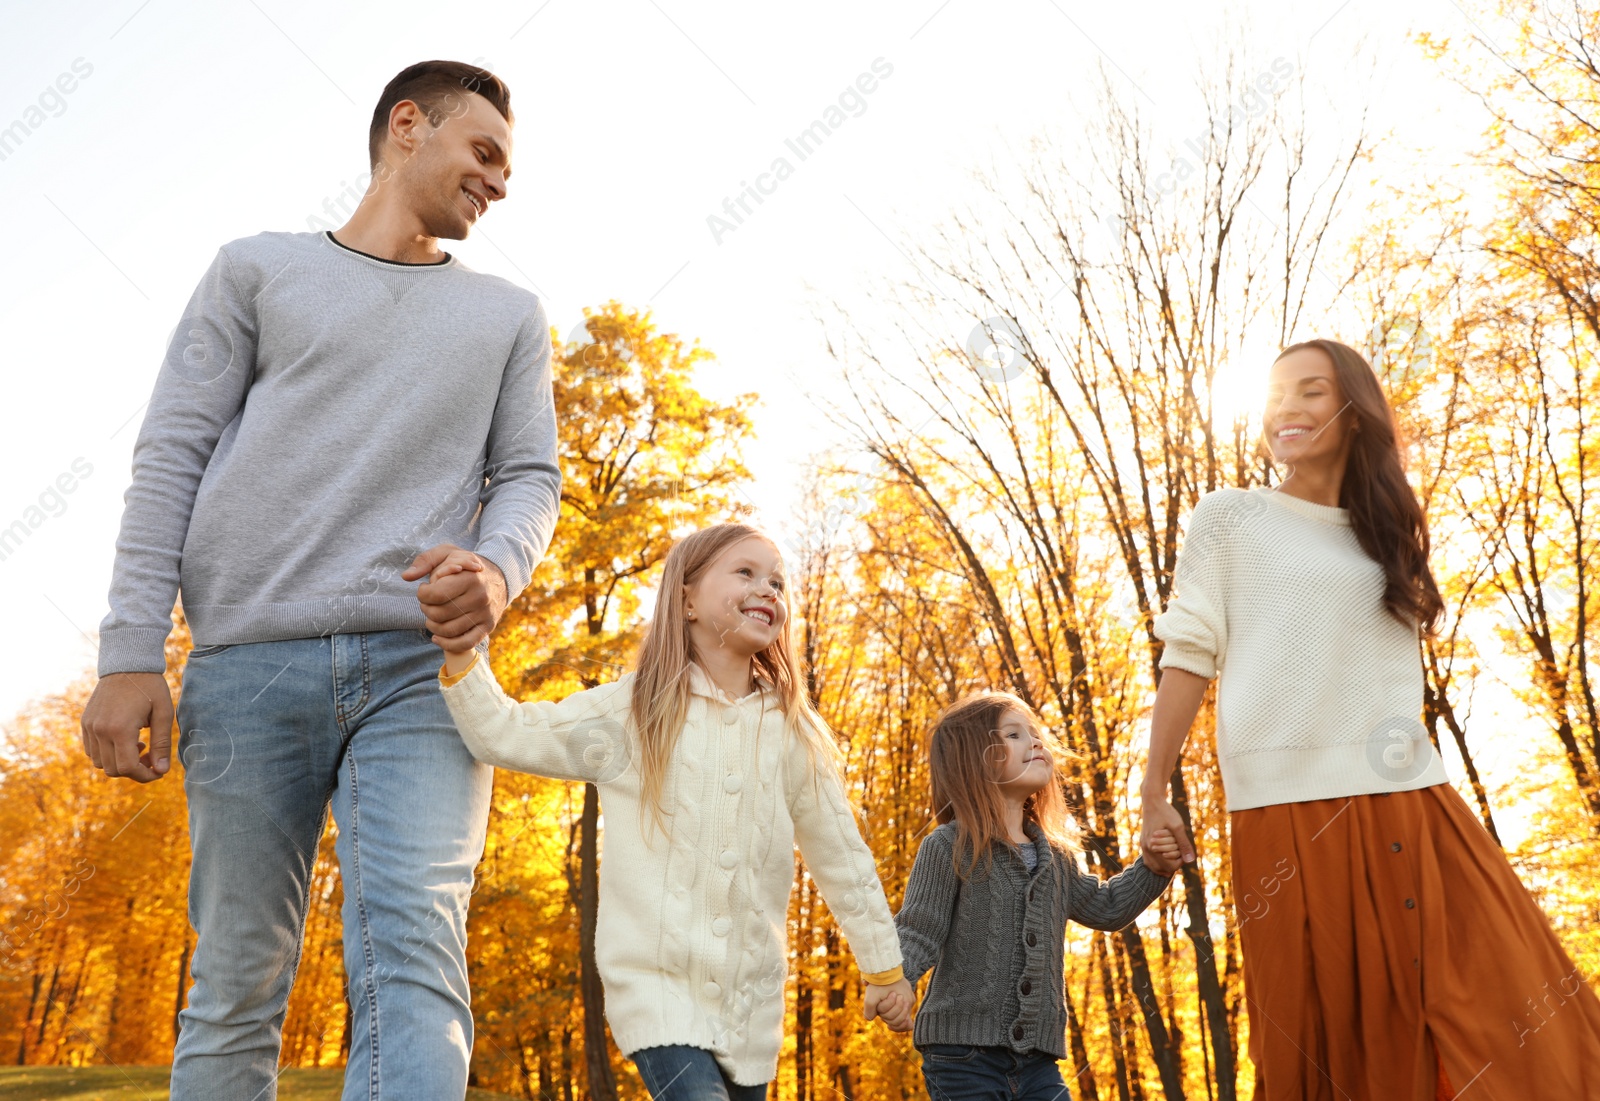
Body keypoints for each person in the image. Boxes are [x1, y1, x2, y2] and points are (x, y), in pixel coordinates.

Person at [78, 61, 561, 1101]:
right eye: (485, 153)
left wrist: (496, 568)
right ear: (406, 127)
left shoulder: (509, 318)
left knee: (414, 966)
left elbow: (529, 476)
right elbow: (171, 453)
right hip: (247, 667)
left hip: (418, 675)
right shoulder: (255, 271)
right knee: (237, 981)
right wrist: (130, 654)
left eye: (509, 168)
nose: (500, 181)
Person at [1140, 338, 1600, 1099]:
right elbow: (1190, 649)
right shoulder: (1229, 519)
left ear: (1354, 414)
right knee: (1322, 1044)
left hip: (1413, 800)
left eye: (1311, 392)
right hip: (1285, 809)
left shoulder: (1384, 531)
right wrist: (1155, 788)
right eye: (1276, 392)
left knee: (1512, 1003)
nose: (1286, 407)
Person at [426, 523, 913, 1100]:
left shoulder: (793, 734)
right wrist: (461, 649)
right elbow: (507, 733)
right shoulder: (634, 710)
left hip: (751, 1008)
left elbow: (843, 858)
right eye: (746, 573)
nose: (769, 590)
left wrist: (884, 968)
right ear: (686, 600)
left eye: (778, 582)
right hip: (655, 991)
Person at [887, 690, 1180, 1100]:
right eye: (1013, 735)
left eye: (1035, 734)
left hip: (1039, 1062)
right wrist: (895, 981)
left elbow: (1108, 906)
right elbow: (919, 930)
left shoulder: (1056, 858)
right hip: (961, 1056)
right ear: (973, 759)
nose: (1036, 742)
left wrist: (1153, 868)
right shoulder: (948, 846)